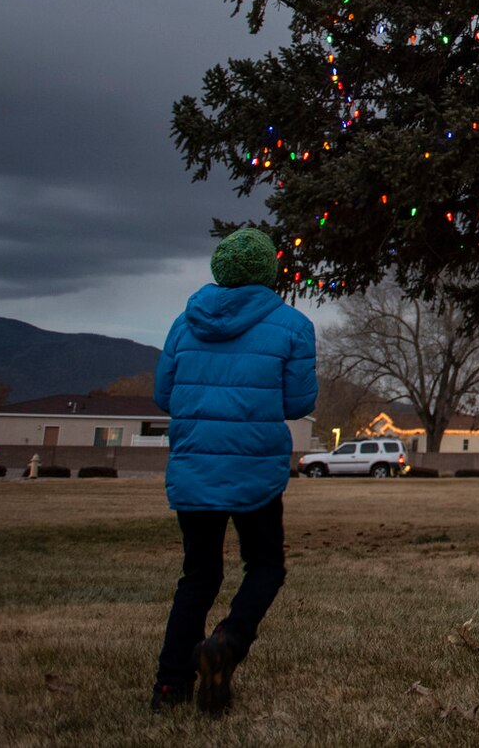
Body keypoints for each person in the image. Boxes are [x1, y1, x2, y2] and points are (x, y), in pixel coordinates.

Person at [150, 226, 316, 716]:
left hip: (194, 462)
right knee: (265, 565)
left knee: (197, 576)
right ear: (271, 272)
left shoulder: (185, 322)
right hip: (254, 466)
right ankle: (227, 640)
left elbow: (163, 394)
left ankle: (168, 687)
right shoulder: (292, 324)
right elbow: (299, 401)